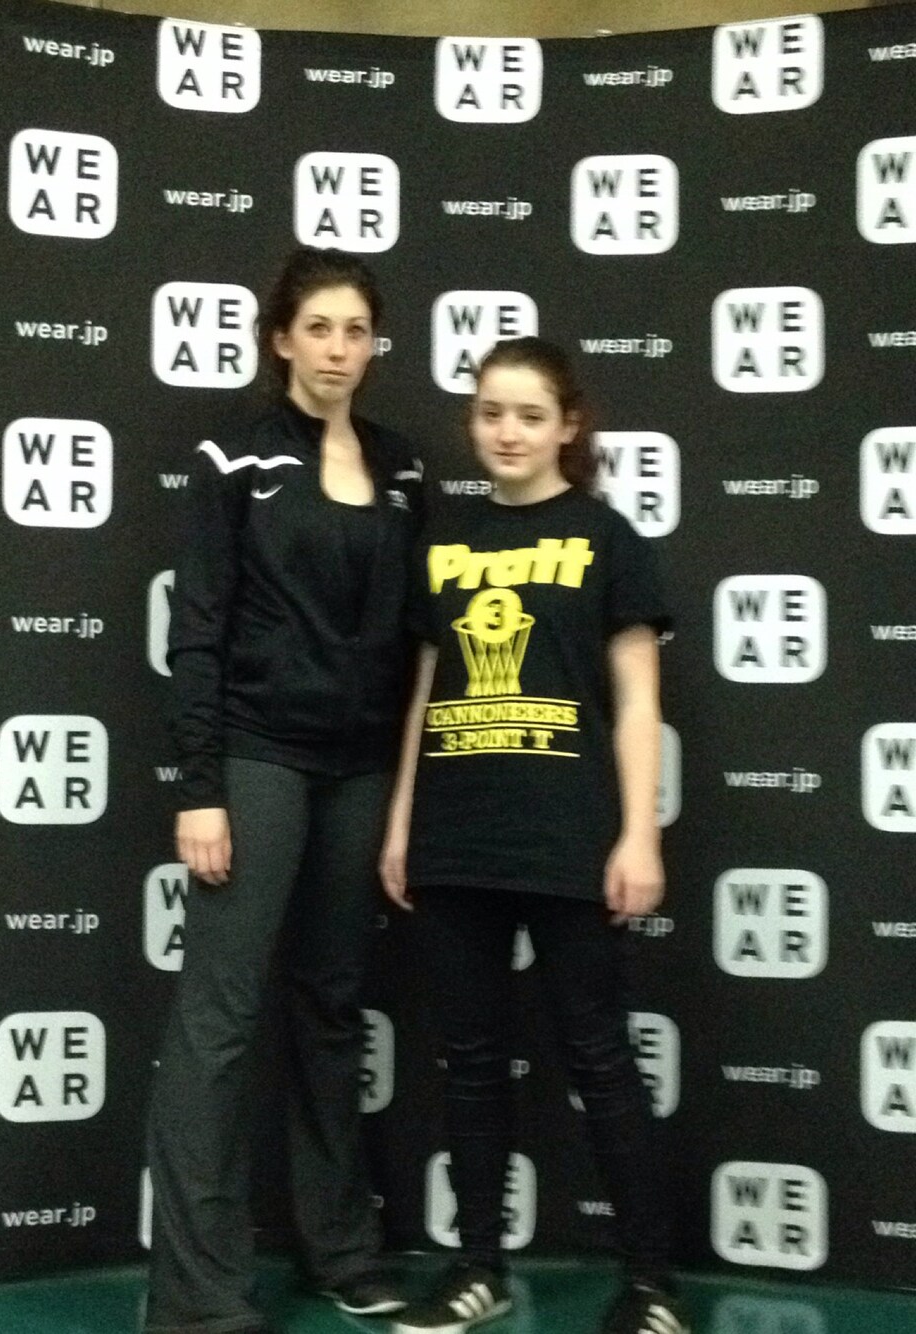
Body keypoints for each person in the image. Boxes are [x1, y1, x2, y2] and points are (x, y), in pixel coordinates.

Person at [380, 337, 688, 1334]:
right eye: (489, 413)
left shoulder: (605, 535)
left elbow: (638, 700)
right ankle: (478, 1269)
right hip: (457, 834)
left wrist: (638, 834)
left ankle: (651, 1287)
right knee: (469, 1063)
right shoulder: (444, 539)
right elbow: (427, 690)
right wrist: (402, 823)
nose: (506, 432)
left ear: (567, 425)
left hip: (568, 837)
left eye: (527, 414)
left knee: (600, 1058)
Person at [145, 246, 422, 1334]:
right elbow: (198, 629)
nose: (338, 350)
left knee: (331, 1009)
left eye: (356, 331)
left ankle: (341, 1252)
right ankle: (199, 1292)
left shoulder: (402, 468)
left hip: (360, 769)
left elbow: (415, 639)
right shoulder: (235, 457)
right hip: (257, 756)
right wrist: (200, 785)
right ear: (281, 340)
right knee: (218, 1017)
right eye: (319, 329)